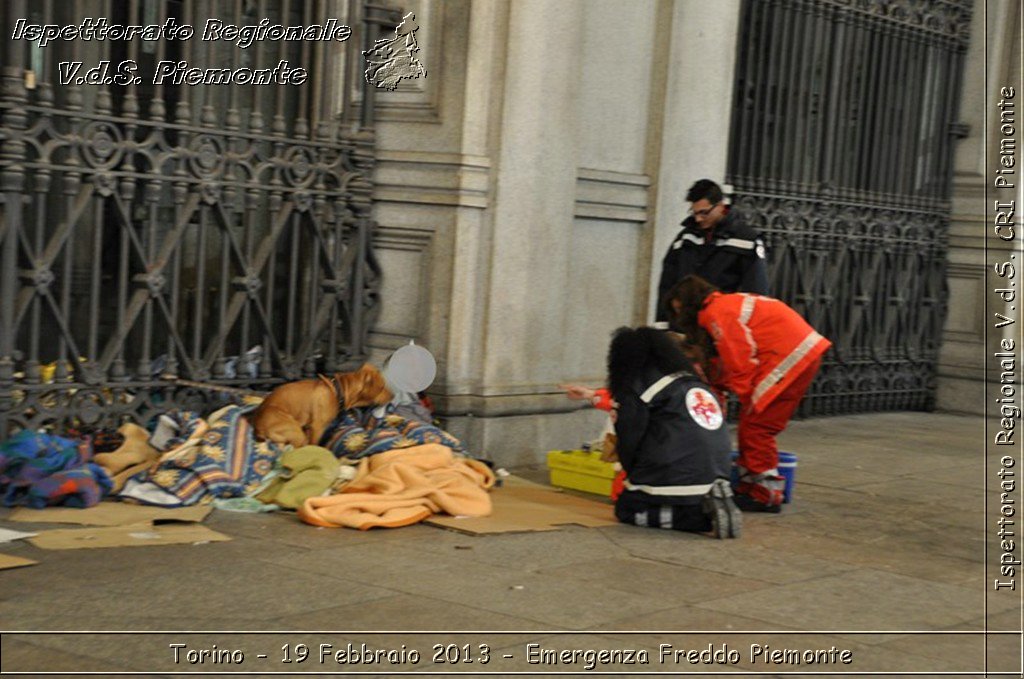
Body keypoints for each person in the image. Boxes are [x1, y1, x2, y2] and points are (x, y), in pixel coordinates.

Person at [667, 275, 831, 513]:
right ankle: (751, 487)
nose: (680, 316)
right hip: (801, 353)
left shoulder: (716, 312)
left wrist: (743, 396)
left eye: (679, 308)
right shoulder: (727, 303)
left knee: (756, 427)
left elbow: (739, 356)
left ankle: (765, 494)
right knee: (756, 425)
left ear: (690, 301)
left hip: (785, 356)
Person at [561, 327, 741, 539]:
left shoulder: (636, 385)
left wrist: (634, 477)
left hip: (675, 473)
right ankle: (710, 501)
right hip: (717, 473)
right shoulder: (690, 382)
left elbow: (630, 441)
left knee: (627, 508)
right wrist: (592, 395)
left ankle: (700, 518)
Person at [655, 179, 769, 323]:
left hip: (724, 326)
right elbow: (668, 285)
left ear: (720, 206)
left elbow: (756, 291)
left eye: (704, 213)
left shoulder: (747, 240)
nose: (698, 219)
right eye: (694, 213)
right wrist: (664, 325)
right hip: (687, 326)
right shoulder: (685, 239)